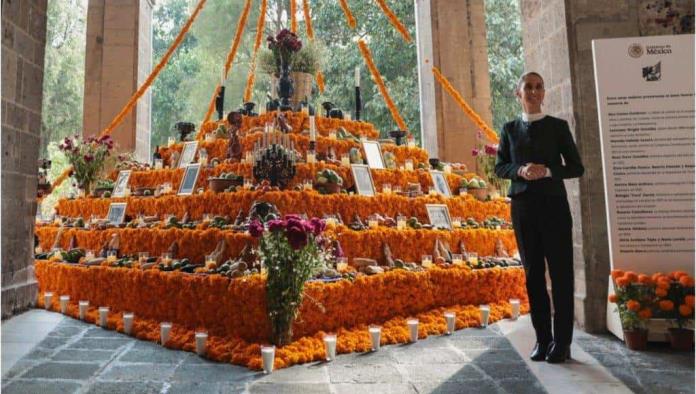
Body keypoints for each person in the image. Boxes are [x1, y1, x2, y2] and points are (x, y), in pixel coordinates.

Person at [495, 72, 584, 364]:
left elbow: (576, 167)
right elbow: (500, 167)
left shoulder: (557, 127)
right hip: (523, 209)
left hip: (554, 207)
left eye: (538, 87)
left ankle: (563, 343)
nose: (533, 91)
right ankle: (543, 339)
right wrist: (520, 171)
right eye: (528, 87)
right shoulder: (509, 129)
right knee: (533, 276)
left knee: (560, 274)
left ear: (544, 93)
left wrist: (546, 171)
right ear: (517, 93)